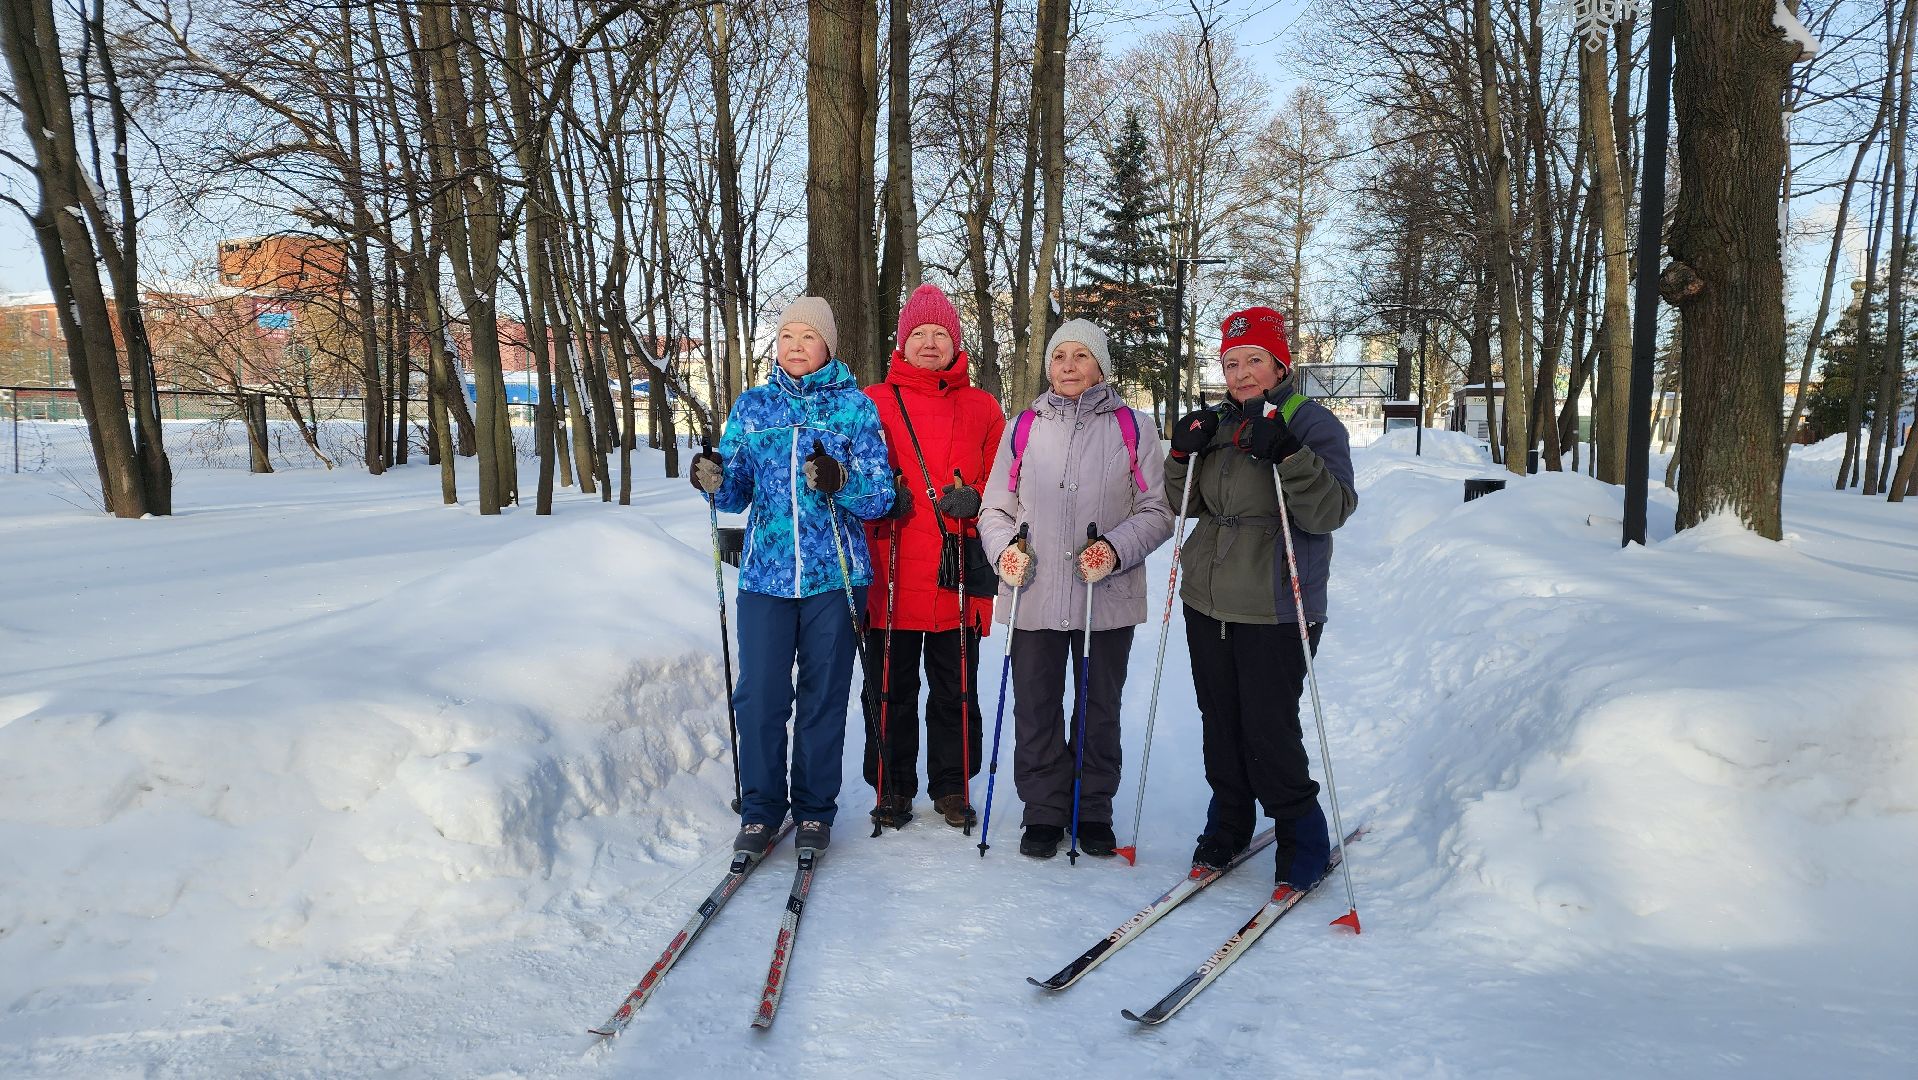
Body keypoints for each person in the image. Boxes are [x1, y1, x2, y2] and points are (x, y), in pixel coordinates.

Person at [690, 297, 893, 857]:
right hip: (765, 578)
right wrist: (711, 478)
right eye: (786, 337)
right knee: (758, 696)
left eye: (807, 337)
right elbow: (733, 493)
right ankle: (759, 809)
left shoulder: (854, 409)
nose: (795, 346)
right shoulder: (753, 407)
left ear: (828, 346)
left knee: (824, 696)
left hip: (836, 577)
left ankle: (813, 810)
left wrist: (840, 478)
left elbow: (880, 496)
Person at [1163, 305, 1357, 888]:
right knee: (1219, 719)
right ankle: (1229, 818)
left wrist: (1290, 456)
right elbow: (1184, 504)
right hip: (1208, 597)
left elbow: (1329, 511)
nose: (1242, 373)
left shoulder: (1314, 423)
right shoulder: (1219, 422)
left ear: (1280, 364)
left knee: (1269, 728)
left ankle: (1302, 832)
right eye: (1231, 362)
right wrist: (1179, 454)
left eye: (1254, 361)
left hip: (1276, 600)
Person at [977, 320, 1173, 859]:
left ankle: (1092, 808)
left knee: (1098, 706)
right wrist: (1004, 551)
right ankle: (1042, 811)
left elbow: (1156, 511)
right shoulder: (1023, 427)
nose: (1066, 365)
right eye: (1058, 355)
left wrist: (1114, 548)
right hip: (1033, 592)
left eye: (1080, 355)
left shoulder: (1134, 428)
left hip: (1103, 596)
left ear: (1102, 366)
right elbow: (995, 507)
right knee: (1035, 706)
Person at [861, 284, 1007, 831]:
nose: (928, 343)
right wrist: (881, 495)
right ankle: (892, 787)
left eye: (938, 334)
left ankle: (952, 784)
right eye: (917, 334)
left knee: (956, 687)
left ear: (955, 342)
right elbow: (852, 470)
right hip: (890, 567)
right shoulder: (874, 401)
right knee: (889, 688)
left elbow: (1005, 481)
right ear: (902, 343)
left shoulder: (982, 406)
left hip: (957, 573)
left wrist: (977, 497)